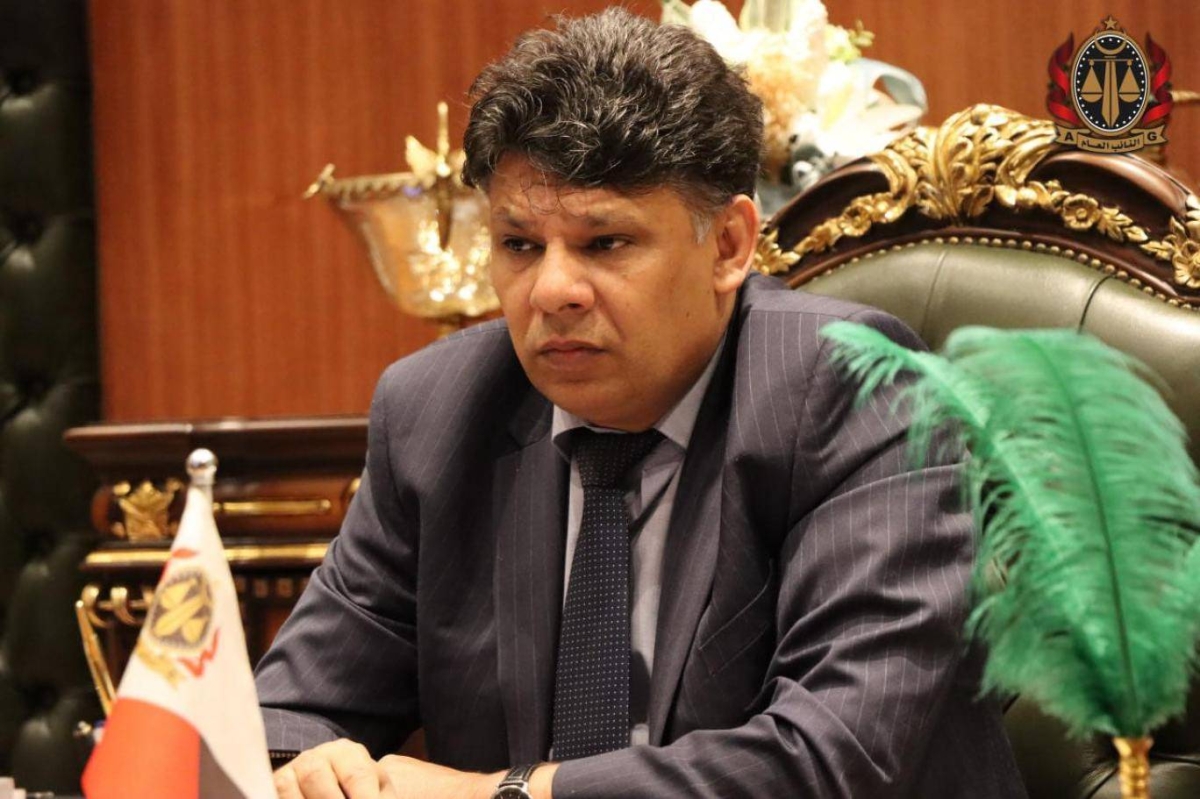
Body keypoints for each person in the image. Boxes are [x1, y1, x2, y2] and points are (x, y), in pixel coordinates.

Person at [256, 8, 1026, 799]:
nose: (552, 290)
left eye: (605, 243)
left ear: (728, 245)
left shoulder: (858, 393)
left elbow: (830, 758)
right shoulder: (437, 412)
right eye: (520, 244)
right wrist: (314, 766)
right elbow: (281, 714)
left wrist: (504, 794)